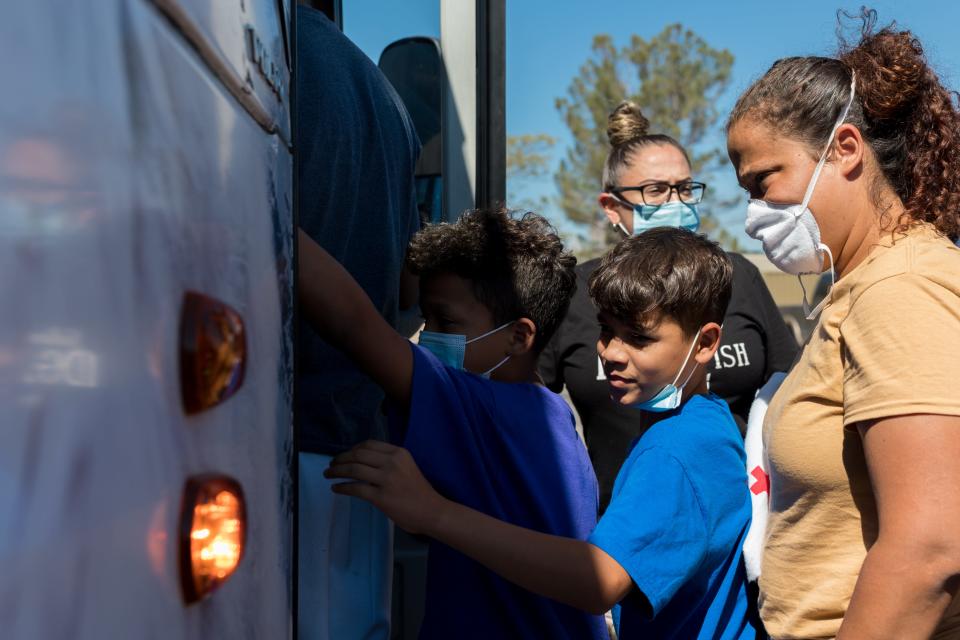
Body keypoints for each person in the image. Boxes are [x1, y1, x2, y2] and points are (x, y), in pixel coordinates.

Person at [327, 228, 759, 639]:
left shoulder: (677, 450)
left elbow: (600, 579)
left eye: (638, 339)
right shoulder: (702, 425)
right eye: (607, 331)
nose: (611, 353)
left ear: (705, 344)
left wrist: (433, 513)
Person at [725, 11, 960, 638]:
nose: (753, 215)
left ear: (846, 150)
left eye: (762, 180)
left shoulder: (901, 289)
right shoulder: (858, 289)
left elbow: (931, 551)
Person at [297, 208, 607, 640]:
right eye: (425, 319)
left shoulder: (481, 407)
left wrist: (269, 208)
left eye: (446, 322)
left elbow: (354, 324)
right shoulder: (553, 416)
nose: (427, 336)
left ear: (519, 337)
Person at [539, 101, 797, 510]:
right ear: (611, 207)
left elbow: (788, 392)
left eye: (684, 188)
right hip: (621, 519)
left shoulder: (739, 276)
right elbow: (533, 415)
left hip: (740, 514)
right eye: (655, 191)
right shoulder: (574, 291)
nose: (675, 202)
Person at [295, 5, 421, 638]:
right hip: (360, 453)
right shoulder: (385, 96)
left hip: (275, 443)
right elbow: (410, 281)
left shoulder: (268, 53)